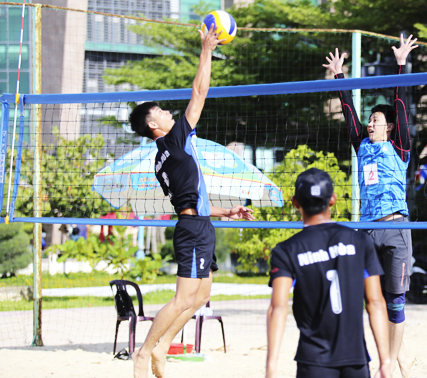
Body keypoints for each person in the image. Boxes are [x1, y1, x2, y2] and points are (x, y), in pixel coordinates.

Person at [128, 24, 255, 378]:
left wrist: (226, 210)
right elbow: (200, 92)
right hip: (193, 231)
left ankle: (163, 347)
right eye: (164, 112)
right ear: (154, 122)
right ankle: (144, 351)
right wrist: (206, 50)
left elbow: (189, 200)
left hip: (197, 223)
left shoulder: (160, 159)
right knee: (185, 299)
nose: (171, 113)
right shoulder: (174, 140)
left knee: (199, 298)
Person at [324, 34, 417, 377]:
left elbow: (402, 103)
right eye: (371, 119)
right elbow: (348, 111)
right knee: (371, 301)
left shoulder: (400, 147)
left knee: (395, 300)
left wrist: (401, 65)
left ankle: (390, 363)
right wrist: (339, 76)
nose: (371, 122)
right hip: (366, 229)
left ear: (390, 127)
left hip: (395, 227)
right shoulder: (362, 146)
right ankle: (397, 356)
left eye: (377, 119)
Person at [266, 168, 391, 378]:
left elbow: (277, 308)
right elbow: (376, 302)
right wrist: (385, 361)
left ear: (296, 202)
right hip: (356, 360)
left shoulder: (286, 249)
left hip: (313, 360)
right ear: (332, 199)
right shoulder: (360, 241)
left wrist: (271, 366)